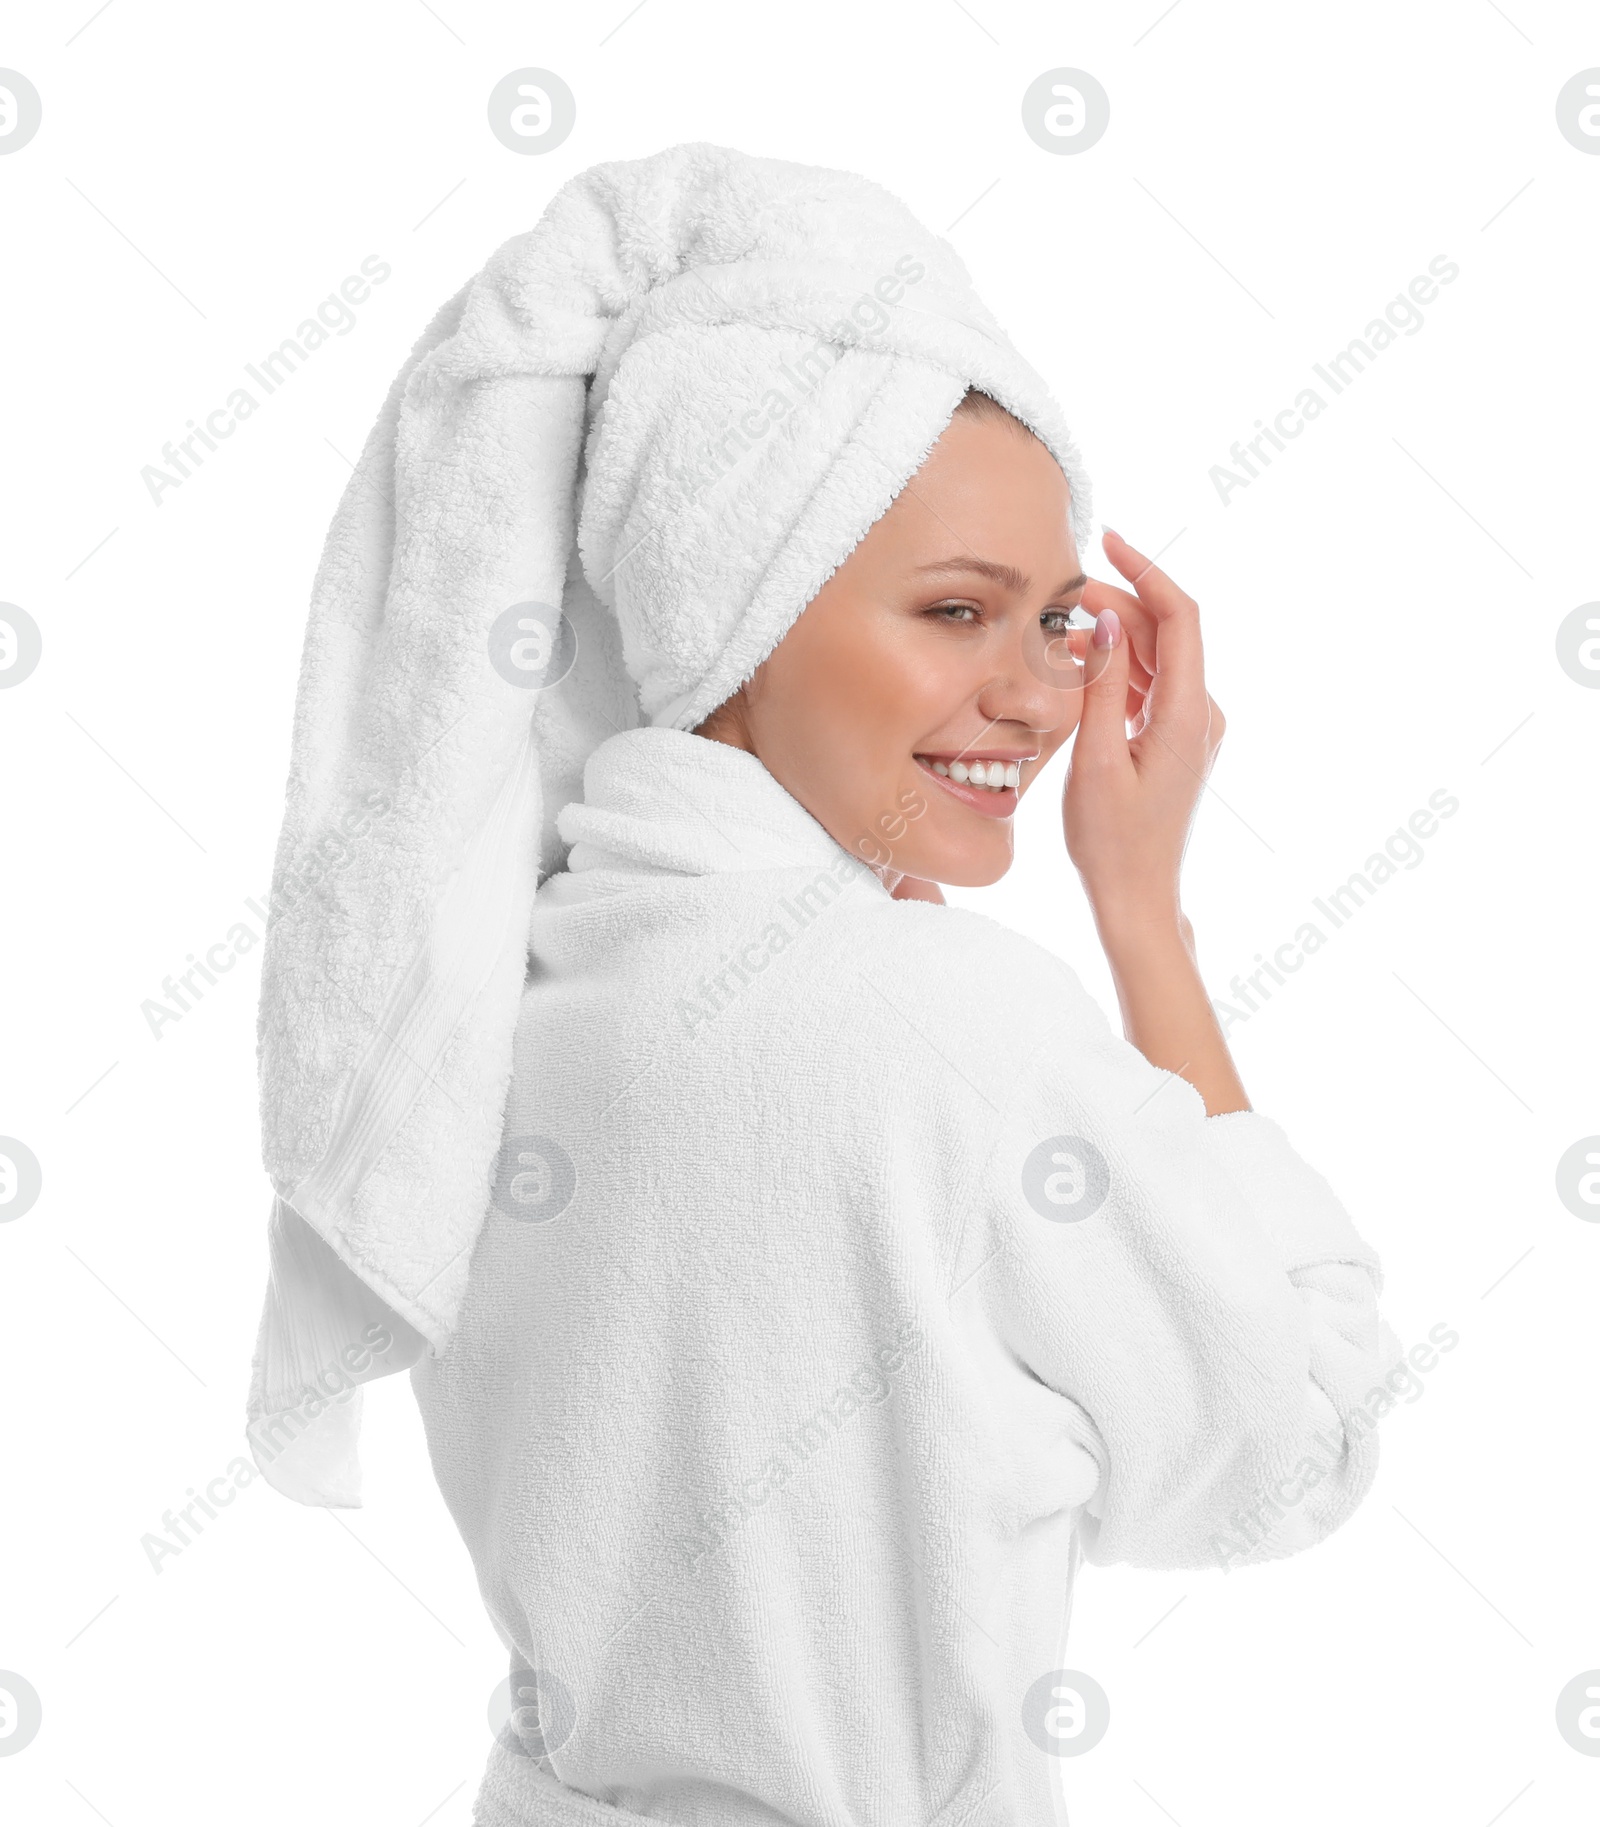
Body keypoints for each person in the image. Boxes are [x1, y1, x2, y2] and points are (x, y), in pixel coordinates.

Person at [245, 143, 1402, 1827]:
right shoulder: (962, 1039)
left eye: (1060, 624)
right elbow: (1298, 1446)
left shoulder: (481, 1007)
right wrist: (1145, 919)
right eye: (954, 611)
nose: (1034, 699)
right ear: (740, 606)